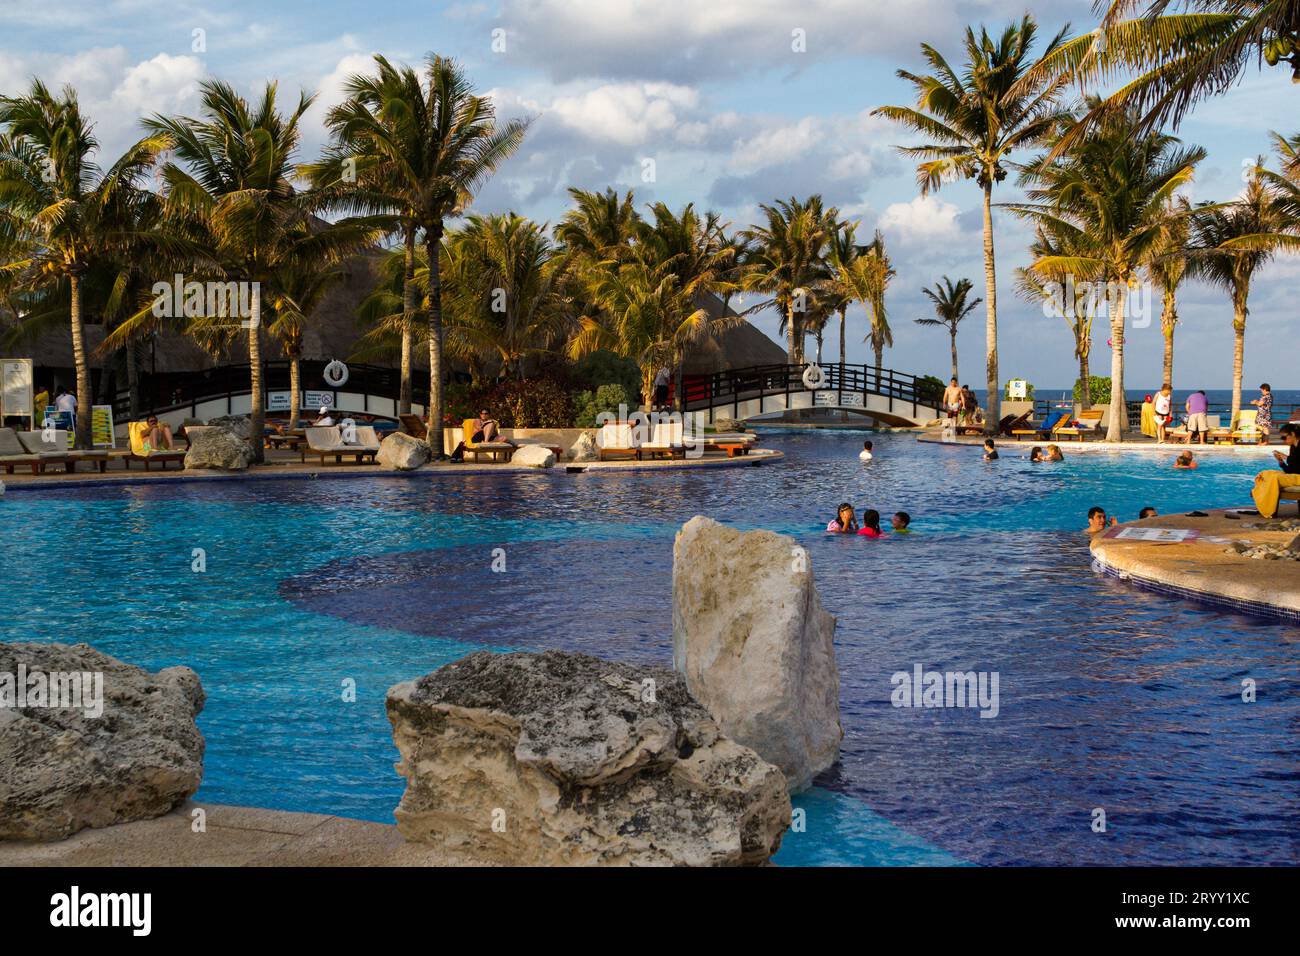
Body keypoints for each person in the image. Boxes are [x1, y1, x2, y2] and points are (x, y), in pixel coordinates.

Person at [1251, 423, 1300, 517]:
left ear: (1293, 434)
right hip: (1295, 476)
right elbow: (1291, 470)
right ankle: (1262, 505)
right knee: (1265, 474)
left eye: (1284, 437)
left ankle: (1269, 510)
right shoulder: (1293, 447)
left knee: (1274, 478)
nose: (1284, 441)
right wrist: (1281, 462)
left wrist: (1286, 457)